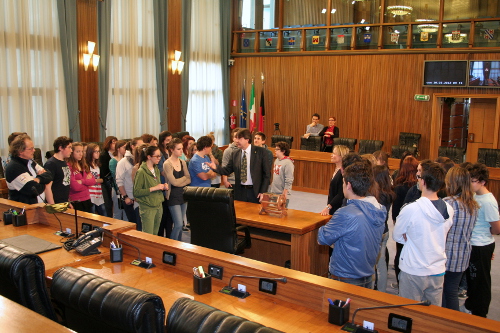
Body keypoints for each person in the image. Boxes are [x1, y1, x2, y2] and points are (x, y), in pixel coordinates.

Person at [317, 161, 387, 289]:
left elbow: (323, 238)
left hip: (346, 277)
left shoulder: (345, 213)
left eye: (343, 183)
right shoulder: (379, 209)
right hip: (367, 275)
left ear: (348, 185)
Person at [393, 162, 454, 306]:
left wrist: (409, 236)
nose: (417, 180)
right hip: (437, 269)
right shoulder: (449, 209)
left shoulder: (411, 209)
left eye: (418, 176)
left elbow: (397, 236)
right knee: (431, 316)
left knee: (408, 313)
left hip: (414, 269)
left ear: (424, 181)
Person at [463, 163, 500, 317]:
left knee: (481, 281)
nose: (470, 184)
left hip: (481, 245)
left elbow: (497, 228)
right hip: (474, 244)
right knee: (472, 279)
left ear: (483, 182)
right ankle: (472, 304)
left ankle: (480, 312)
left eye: (473, 181)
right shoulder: (475, 196)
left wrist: (484, 234)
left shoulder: (488, 201)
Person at [442, 166, 478, 311]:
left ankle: (449, 323)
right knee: (452, 290)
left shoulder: (448, 203)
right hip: (463, 255)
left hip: (447, 255)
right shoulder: (473, 204)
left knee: (447, 293)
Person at [210, 129, 271, 203]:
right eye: (236, 138)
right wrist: (215, 167)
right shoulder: (235, 153)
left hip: (256, 192)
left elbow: (267, 174)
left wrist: (263, 191)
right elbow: (227, 170)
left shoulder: (261, 152)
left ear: (247, 139)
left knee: (254, 214)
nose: (236, 141)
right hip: (240, 192)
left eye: (239, 138)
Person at [392, 155, 419, 286]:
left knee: (400, 253)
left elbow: (396, 212)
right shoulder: (420, 188)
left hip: (402, 226)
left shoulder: (399, 187)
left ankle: (400, 282)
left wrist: (397, 225)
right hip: (416, 228)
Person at [5, 134, 53, 204]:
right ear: (20, 151)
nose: (34, 150)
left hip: (39, 207)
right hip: (25, 209)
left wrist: (38, 179)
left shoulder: (31, 162)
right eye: (30, 149)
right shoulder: (14, 168)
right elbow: (34, 190)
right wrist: (43, 181)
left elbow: (49, 175)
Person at [133, 145, 167, 235]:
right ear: (149, 157)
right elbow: (136, 192)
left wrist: (163, 186)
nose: (159, 158)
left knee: (155, 235)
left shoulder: (156, 169)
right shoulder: (141, 172)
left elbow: (157, 185)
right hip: (148, 207)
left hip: (158, 205)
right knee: (148, 235)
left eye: (160, 156)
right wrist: (154, 188)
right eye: (157, 156)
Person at [373, 165, 395, 293]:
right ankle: (381, 290)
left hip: (377, 232)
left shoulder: (378, 195)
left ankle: (378, 290)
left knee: (375, 264)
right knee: (381, 263)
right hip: (385, 230)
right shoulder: (388, 193)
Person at [163, 138, 191, 241]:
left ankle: (179, 244)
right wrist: (183, 180)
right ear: (172, 150)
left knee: (181, 224)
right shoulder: (167, 163)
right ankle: (172, 244)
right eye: (178, 149)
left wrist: (181, 180)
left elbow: (189, 179)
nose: (181, 151)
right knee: (178, 224)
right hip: (173, 196)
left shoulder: (182, 162)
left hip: (183, 194)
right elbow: (173, 182)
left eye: (182, 148)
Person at [116, 137, 144, 230]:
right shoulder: (123, 162)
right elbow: (119, 181)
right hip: (130, 198)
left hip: (141, 197)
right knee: (134, 225)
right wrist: (125, 197)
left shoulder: (141, 161)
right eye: (139, 146)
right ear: (132, 146)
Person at [320, 145, 350, 216]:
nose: (331, 155)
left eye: (334, 154)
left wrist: (329, 207)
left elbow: (341, 194)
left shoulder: (343, 172)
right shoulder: (337, 170)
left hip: (338, 207)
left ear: (341, 156)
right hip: (333, 205)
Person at [68, 142, 96, 213]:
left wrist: (82, 181)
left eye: (82, 151)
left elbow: (93, 181)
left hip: (87, 198)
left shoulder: (83, 165)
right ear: (72, 152)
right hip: (76, 200)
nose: (81, 154)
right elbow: (75, 187)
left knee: (89, 223)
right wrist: (86, 183)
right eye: (78, 151)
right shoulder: (69, 166)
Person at [44, 136, 73, 204]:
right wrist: (53, 206)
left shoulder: (64, 162)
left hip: (64, 201)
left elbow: (65, 184)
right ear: (60, 148)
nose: (71, 150)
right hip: (56, 202)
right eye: (69, 147)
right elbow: (47, 187)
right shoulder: (51, 164)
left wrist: (68, 202)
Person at [157, 131, 173, 238]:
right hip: (162, 185)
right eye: (167, 140)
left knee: (170, 218)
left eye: (171, 140)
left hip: (171, 186)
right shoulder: (160, 154)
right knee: (163, 217)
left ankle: (169, 237)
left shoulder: (171, 152)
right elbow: (162, 171)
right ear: (162, 141)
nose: (169, 142)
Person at [109, 139, 128, 220]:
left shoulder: (126, 160)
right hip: (117, 189)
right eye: (124, 147)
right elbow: (115, 176)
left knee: (126, 212)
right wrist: (119, 190)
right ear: (118, 148)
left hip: (126, 187)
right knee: (117, 211)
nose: (125, 150)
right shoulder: (113, 161)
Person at [85, 143, 106, 216]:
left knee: (104, 216)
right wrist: (96, 180)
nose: (98, 153)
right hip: (90, 195)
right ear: (90, 152)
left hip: (99, 193)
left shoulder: (98, 165)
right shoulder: (86, 165)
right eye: (95, 151)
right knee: (92, 216)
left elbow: (103, 179)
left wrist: (94, 180)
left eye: (99, 151)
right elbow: (87, 181)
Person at [99, 136, 117, 217]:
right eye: (113, 142)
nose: (115, 144)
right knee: (109, 204)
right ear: (108, 143)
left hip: (115, 180)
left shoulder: (117, 154)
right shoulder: (104, 155)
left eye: (116, 142)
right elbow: (104, 171)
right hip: (107, 181)